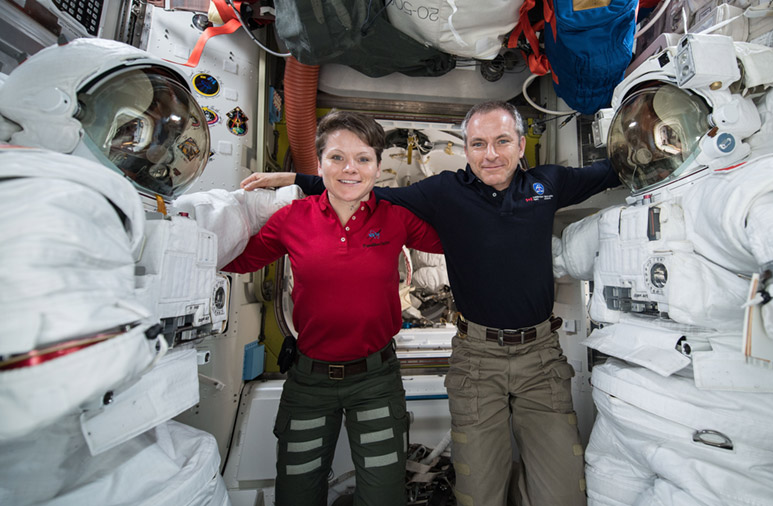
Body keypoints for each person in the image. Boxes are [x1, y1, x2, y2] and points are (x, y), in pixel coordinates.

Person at [555, 35, 773, 505]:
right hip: (622, 419)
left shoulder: (730, 192)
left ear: (715, 117)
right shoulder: (624, 217)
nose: (645, 149)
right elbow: (563, 256)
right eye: (636, 135)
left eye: (664, 131)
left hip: (723, 437)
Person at [241, 100, 621, 505]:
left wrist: (672, 144)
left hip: (541, 355)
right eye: (478, 143)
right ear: (466, 148)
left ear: (521, 144)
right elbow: (364, 186)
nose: (490, 154)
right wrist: (295, 180)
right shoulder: (446, 191)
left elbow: (609, 172)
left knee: (563, 494)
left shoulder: (549, 184)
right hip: (478, 356)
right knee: (477, 493)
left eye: (502, 141)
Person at [0, 38, 229, 505]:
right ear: (53, 108)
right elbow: (41, 323)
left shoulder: (102, 203)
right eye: (131, 135)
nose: (147, 158)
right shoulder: (47, 185)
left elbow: (214, 216)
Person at [222, 110, 443, 506]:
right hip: (309, 382)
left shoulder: (396, 219)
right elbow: (236, 260)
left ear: (377, 165)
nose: (350, 169)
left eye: (363, 158)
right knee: (297, 494)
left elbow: (459, 242)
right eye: (337, 157)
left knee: (383, 497)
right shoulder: (291, 218)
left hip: (375, 381)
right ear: (319, 163)